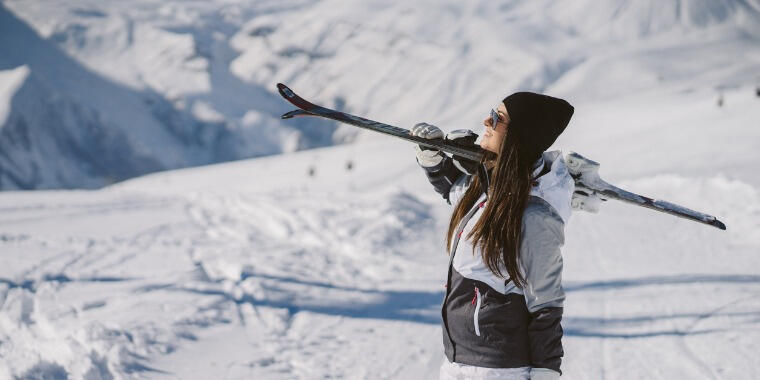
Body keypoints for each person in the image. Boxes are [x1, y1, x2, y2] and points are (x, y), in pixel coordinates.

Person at [411, 92, 575, 380]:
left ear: (518, 136)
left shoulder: (534, 216)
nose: (486, 120)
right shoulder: (491, 192)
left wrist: (545, 373)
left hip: (498, 370)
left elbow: (547, 304)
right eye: (491, 112)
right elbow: (456, 192)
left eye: (498, 118)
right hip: (457, 362)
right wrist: (433, 161)